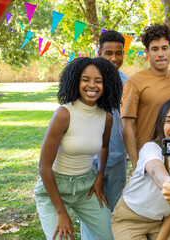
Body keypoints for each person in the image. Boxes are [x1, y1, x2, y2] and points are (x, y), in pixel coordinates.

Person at [34, 57, 122, 240]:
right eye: (85, 79)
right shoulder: (64, 114)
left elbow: (104, 147)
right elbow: (44, 166)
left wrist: (99, 177)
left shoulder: (106, 117)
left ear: (107, 84)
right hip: (54, 187)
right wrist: (61, 212)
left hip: (86, 187)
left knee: (109, 236)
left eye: (98, 81)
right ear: (76, 81)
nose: (92, 85)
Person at [111, 98, 170, 239]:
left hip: (161, 221)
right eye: (169, 121)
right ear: (161, 125)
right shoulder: (151, 148)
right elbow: (155, 167)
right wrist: (166, 182)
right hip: (129, 219)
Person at [121, 23, 170, 170]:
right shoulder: (134, 82)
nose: (160, 54)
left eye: (164, 48)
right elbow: (127, 125)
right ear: (147, 52)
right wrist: (135, 162)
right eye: (154, 49)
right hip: (147, 157)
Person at [90, 30, 128, 212]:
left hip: (118, 160)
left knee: (114, 212)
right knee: (93, 212)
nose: (114, 58)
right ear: (99, 53)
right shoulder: (87, 82)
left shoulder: (128, 84)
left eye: (118, 53)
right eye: (108, 53)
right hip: (88, 161)